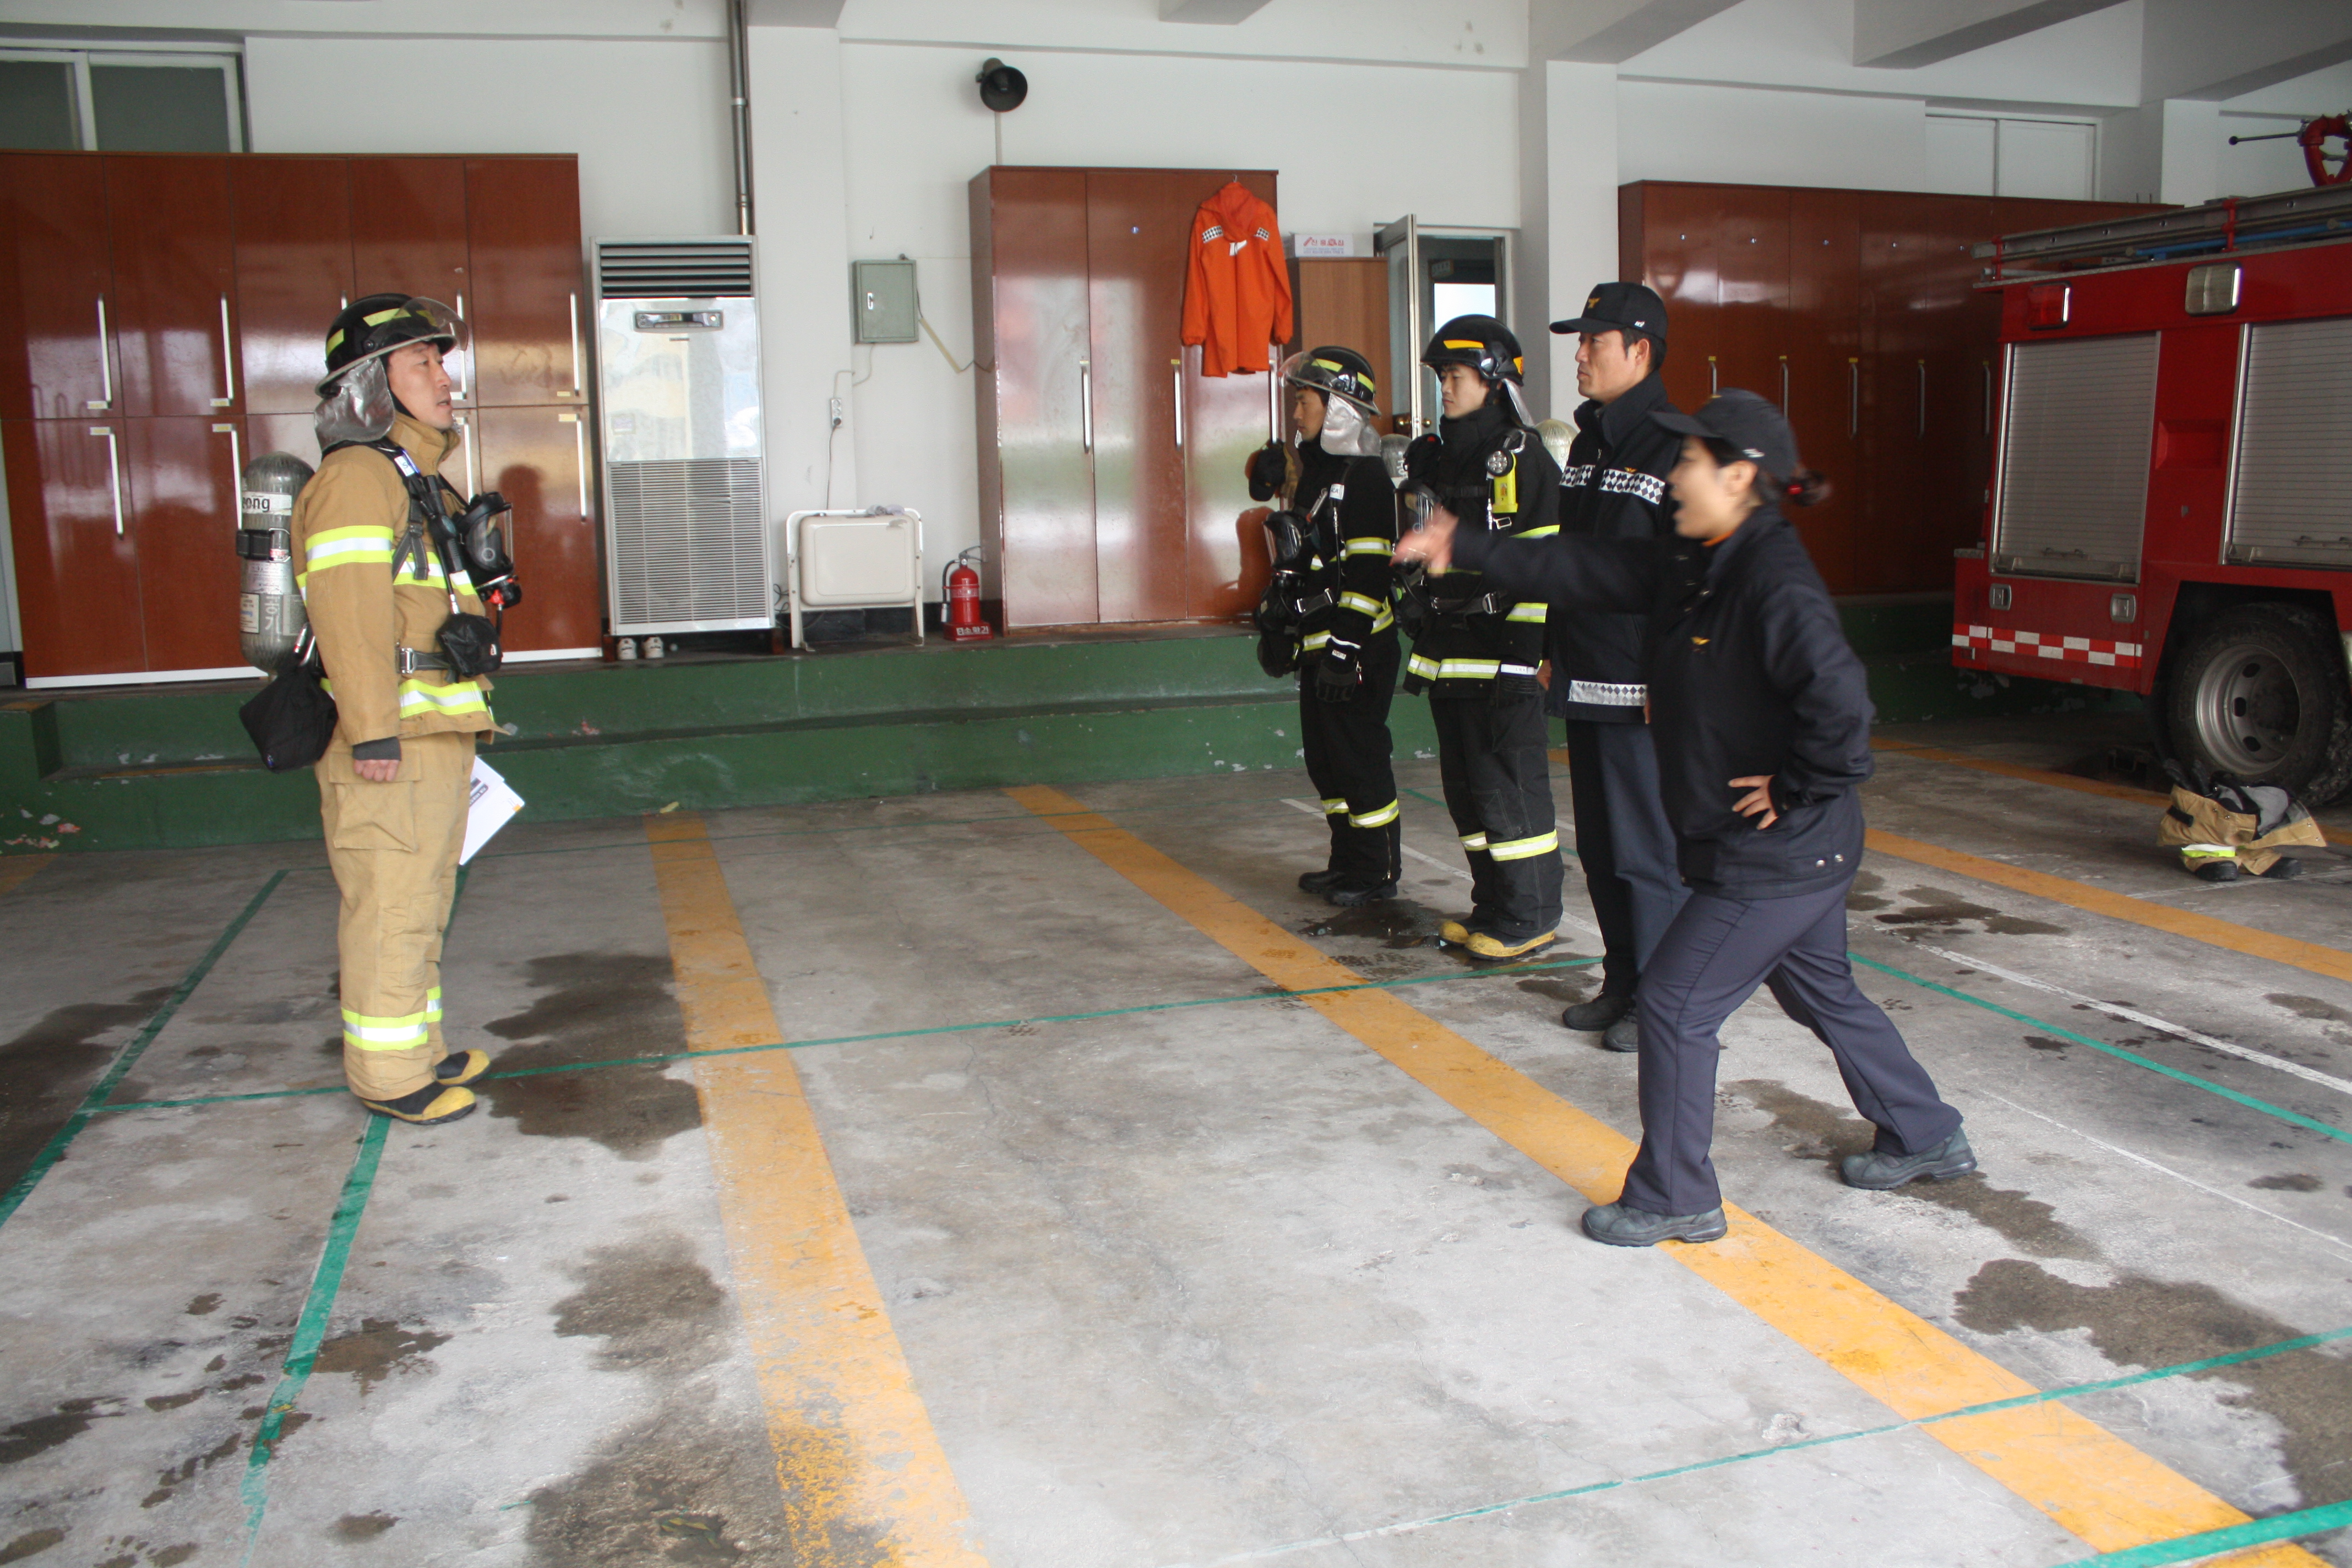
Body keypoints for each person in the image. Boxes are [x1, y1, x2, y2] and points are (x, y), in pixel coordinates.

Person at [1394, 390, 1973, 1245]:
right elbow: (1589, 570)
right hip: (1793, 852)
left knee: (1672, 1005)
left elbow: (1845, 712)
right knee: (1821, 991)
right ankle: (1926, 1133)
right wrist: (1467, 545)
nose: (1676, 477)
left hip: (1775, 853)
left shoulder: (1773, 582)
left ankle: (1675, 1195)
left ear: (1739, 478)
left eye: (1693, 462)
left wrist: (1795, 787)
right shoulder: (1698, 559)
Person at [295, 295, 504, 1126]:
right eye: (422, 363)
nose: (445, 379)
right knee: (390, 907)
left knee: (422, 901)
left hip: (434, 730)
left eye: (441, 362)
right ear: (372, 385)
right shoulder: (355, 478)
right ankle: (387, 1076)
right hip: (392, 739)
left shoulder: (411, 475)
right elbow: (347, 616)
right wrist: (372, 731)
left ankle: (417, 1048)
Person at [1546, 283, 1692, 1052]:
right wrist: (1552, 650)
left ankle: (1661, 1004)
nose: (1579, 355)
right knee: (1602, 852)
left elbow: (1689, 580)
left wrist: (1674, 681)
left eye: (1593, 342)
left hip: (1642, 688)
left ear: (1639, 351)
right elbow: (1571, 560)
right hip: (1586, 671)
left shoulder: (1676, 446)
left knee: (1647, 856)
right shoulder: (1588, 445)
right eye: (1579, 341)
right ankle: (1623, 982)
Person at [1397, 316, 1565, 961]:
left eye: (1457, 375)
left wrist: (1525, 658)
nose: (1445, 386)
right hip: (1451, 653)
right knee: (1468, 792)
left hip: (1503, 660)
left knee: (1509, 789)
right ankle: (1493, 904)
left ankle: (1531, 914)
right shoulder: (1444, 457)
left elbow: (1542, 563)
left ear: (1495, 381)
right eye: (1442, 375)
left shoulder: (1521, 458)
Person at [1247, 347, 1402, 905]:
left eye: (1306, 402)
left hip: (1358, 648)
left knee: (1359, 761)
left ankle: (1377, 870)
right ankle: (1347, 862)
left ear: (1338, 407)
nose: (1297, 413)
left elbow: (1369, 574)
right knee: (1327, 763)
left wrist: (1344, 650)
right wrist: (1281, 624)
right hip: (1322, 646)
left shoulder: (1366, 477)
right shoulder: (1318, 475)